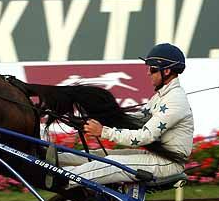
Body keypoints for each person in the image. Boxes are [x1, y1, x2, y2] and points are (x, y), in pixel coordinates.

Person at [58, 43, 194, 185]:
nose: (148, 73)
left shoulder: (175, 100)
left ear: (166, 71)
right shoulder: (162, 96)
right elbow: (137, 118)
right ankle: (52, 158)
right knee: (100, 155)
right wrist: (103, 117)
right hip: (157, 157)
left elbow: (144, 136)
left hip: (168, 165)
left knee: (111, 163)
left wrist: (103, 131)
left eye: (152, 69)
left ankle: (60, 179)